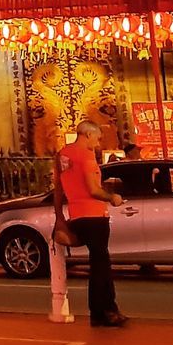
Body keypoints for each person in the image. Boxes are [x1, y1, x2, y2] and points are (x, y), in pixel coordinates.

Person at [57, 120, 127, 328]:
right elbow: (93, 189)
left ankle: (100, 311)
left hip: (77, 215)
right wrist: (112, 197)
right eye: (97, 138)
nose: (98, 143)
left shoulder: (63, 154)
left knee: (98, 263)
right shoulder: (86, 156)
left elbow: (58, 187)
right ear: (87, 134)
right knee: (101, 265)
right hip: (94, 215)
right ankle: (106, 310)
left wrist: (59, 216)